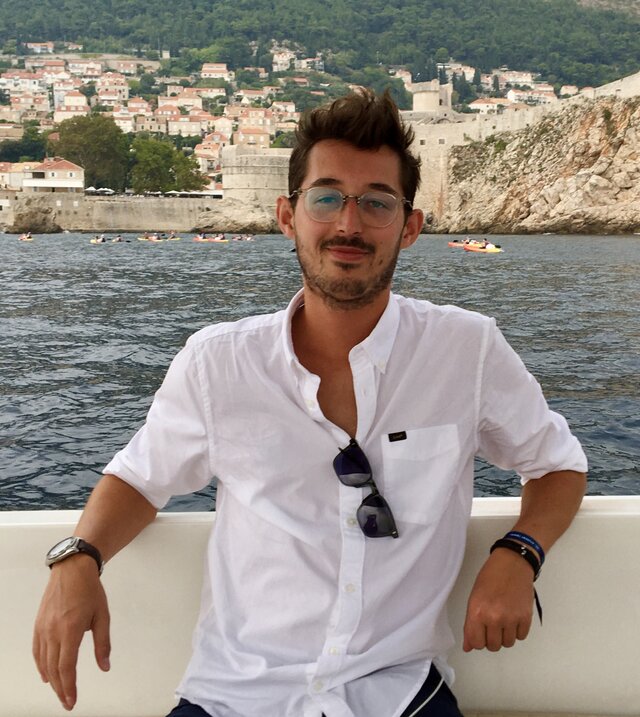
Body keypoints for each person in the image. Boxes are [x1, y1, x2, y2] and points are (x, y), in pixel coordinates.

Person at [33, 89, 587, 717]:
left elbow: (558, 465)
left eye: (376, 202)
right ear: (287, 215)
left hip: (398, 691)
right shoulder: (218, 363)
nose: (349, 225)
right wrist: (78, 559)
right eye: (326, 198)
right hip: (235, 695)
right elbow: (140, 478)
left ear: (409, 228)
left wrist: (520, 552)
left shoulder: (467, 350)